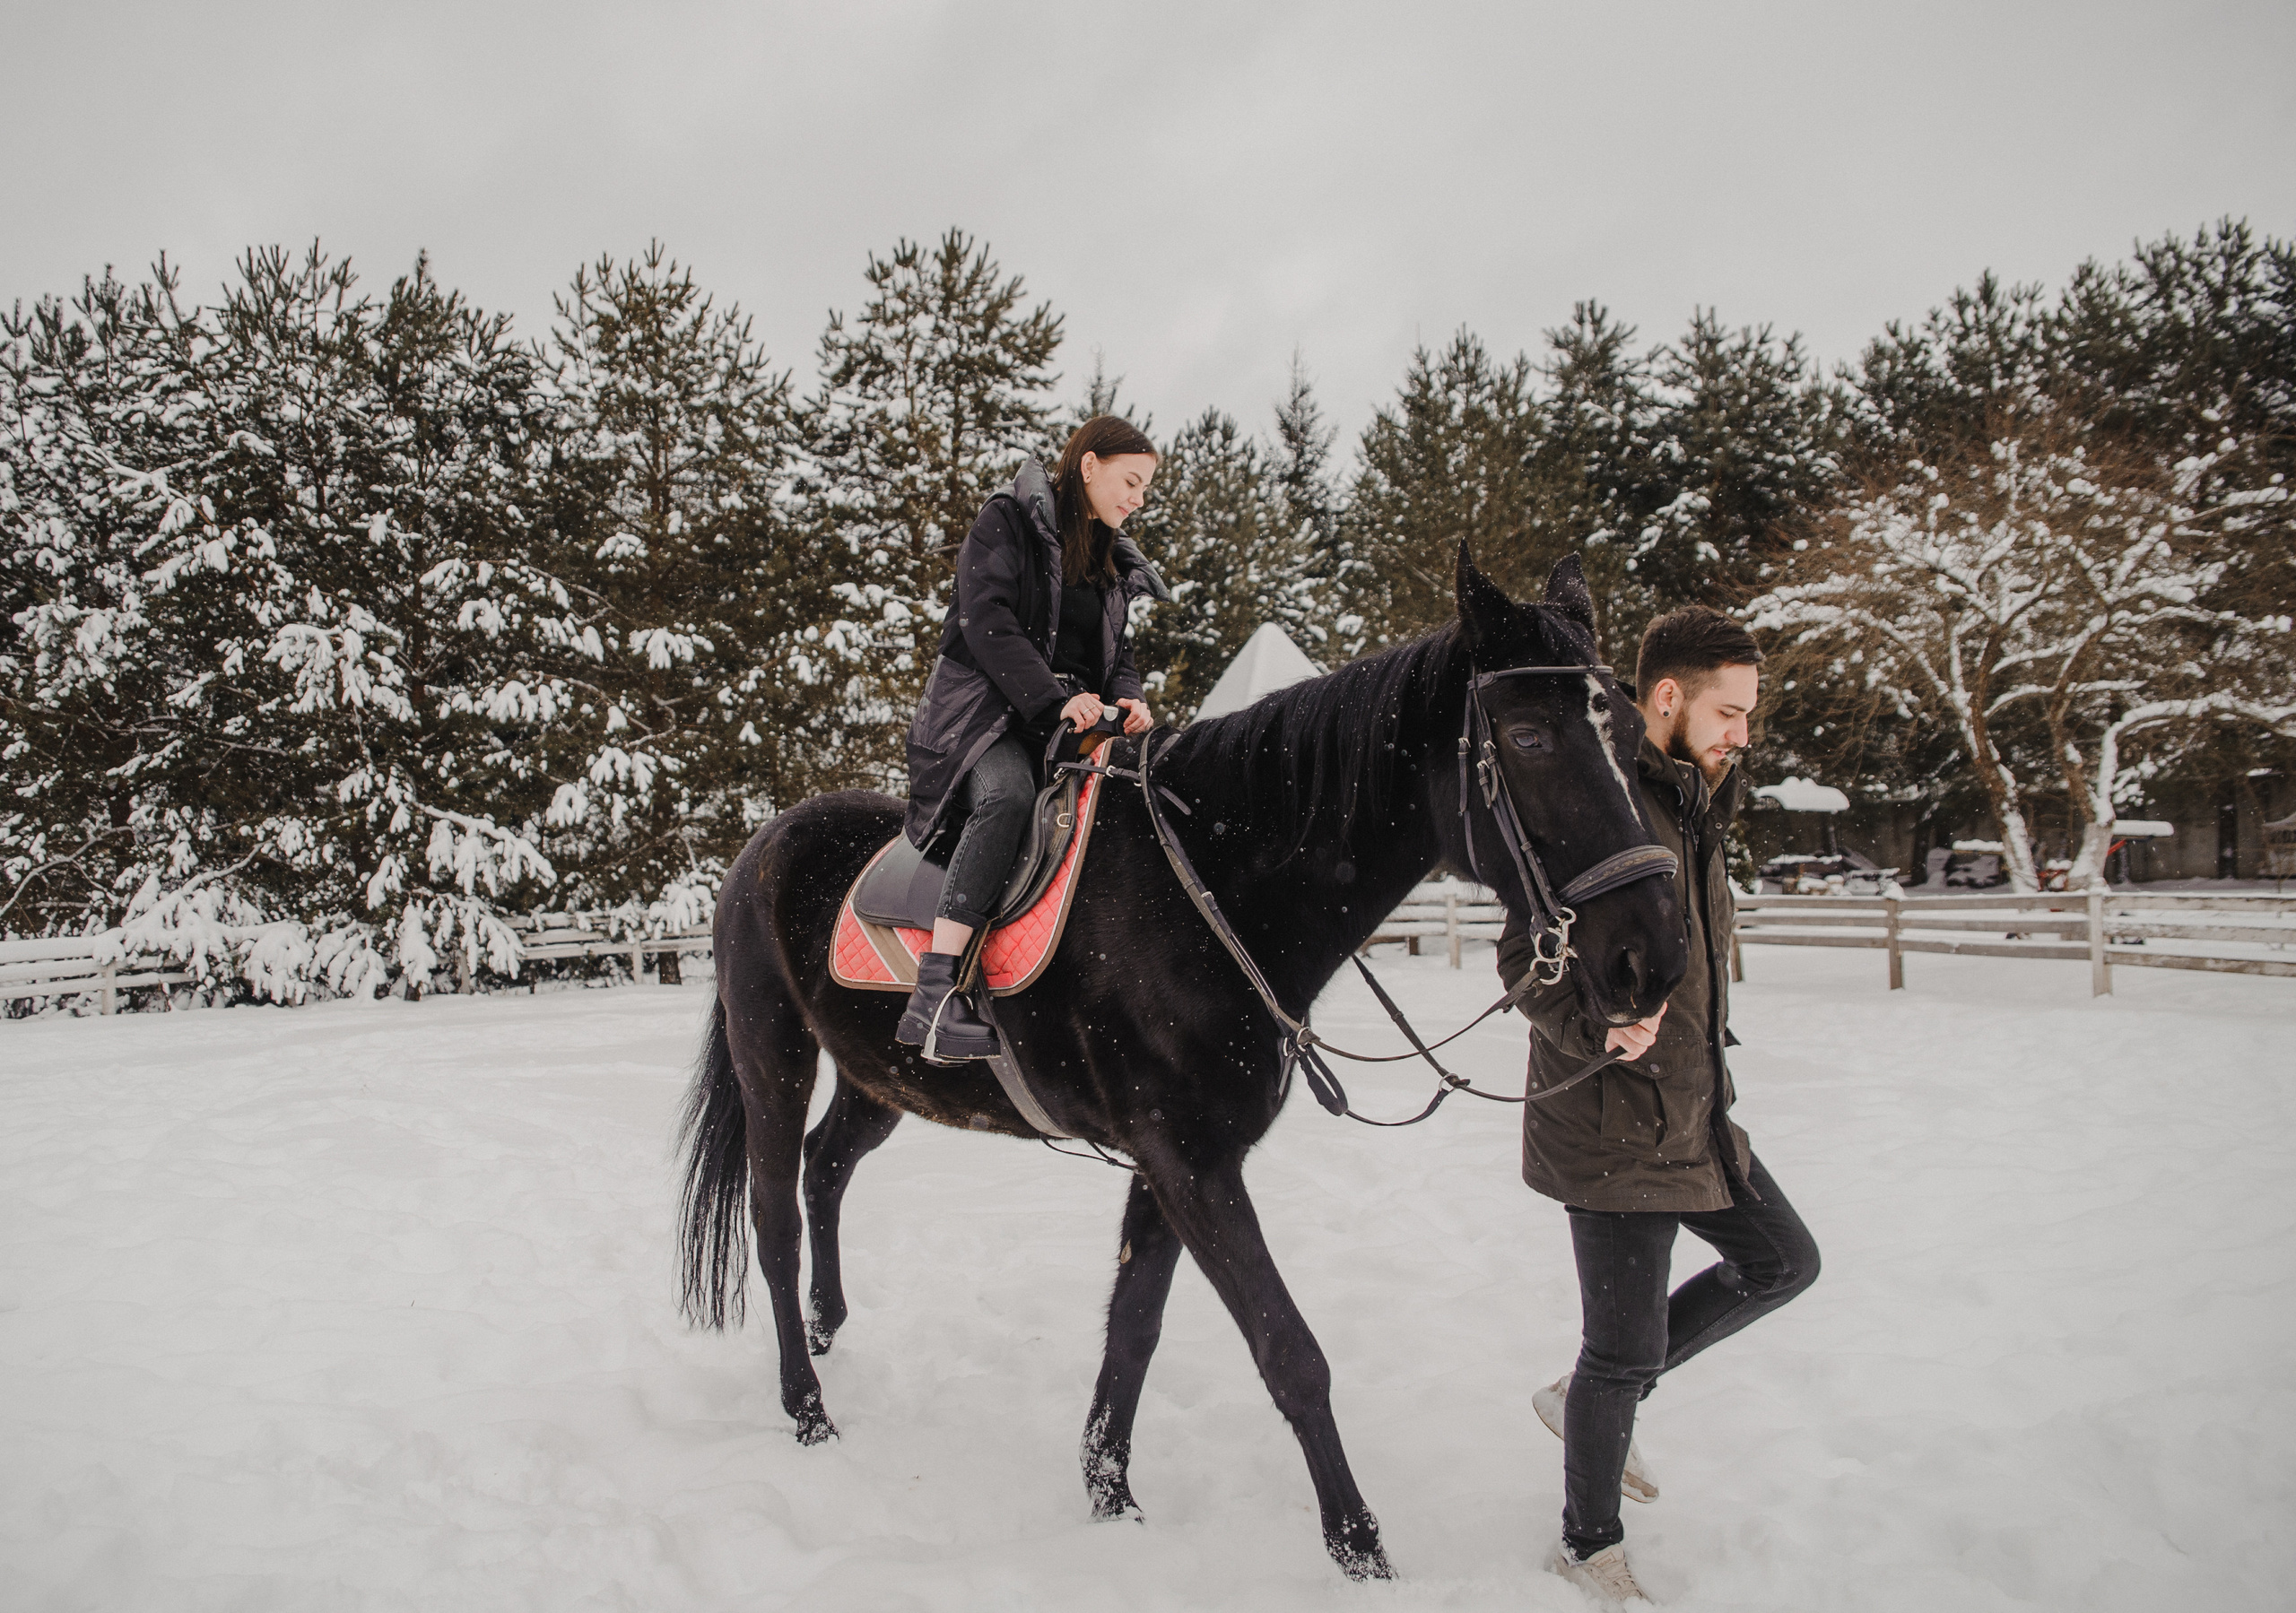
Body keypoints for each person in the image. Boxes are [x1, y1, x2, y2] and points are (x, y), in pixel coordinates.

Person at [1500, 605, 1821, 1607]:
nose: (1742, 733)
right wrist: (1594, 1024)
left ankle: (1583, 1399)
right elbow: (1523, 957)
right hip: (1606, 1121)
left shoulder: (1691, 797)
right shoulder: (1593, 799)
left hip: (1692, 1109)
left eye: (1749, 715)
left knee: (1781, 1260)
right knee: (1624, 1347)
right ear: (1667, 697)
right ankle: (1586, 1543)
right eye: (1729, 711)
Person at [892, 416, 1170, 1062]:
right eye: (1131, 481)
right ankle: (934, 994)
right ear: (1089, 465)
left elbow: (1115, 656)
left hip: (1063, 728)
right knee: (1009, 797)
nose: (1137, 498)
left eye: (1146, 489)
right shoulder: (1006, 521)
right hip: (978, 721)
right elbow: (984, 620)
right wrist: (1053, 697)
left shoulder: (1110, 566)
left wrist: (1127, 697)